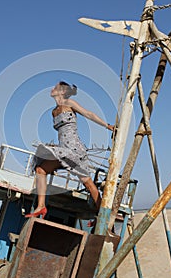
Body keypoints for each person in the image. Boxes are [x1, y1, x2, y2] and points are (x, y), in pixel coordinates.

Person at [25, 81, 114, 219]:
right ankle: (41, 206)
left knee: (89, 185)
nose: (52, 88)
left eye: (55, 87)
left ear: (62, 91)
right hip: (63, 150)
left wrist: (107, 126)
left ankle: (103, 217)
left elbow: (88, 114)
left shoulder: (69, 103)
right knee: (40, 170)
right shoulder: (53, 112)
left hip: (74, 150)